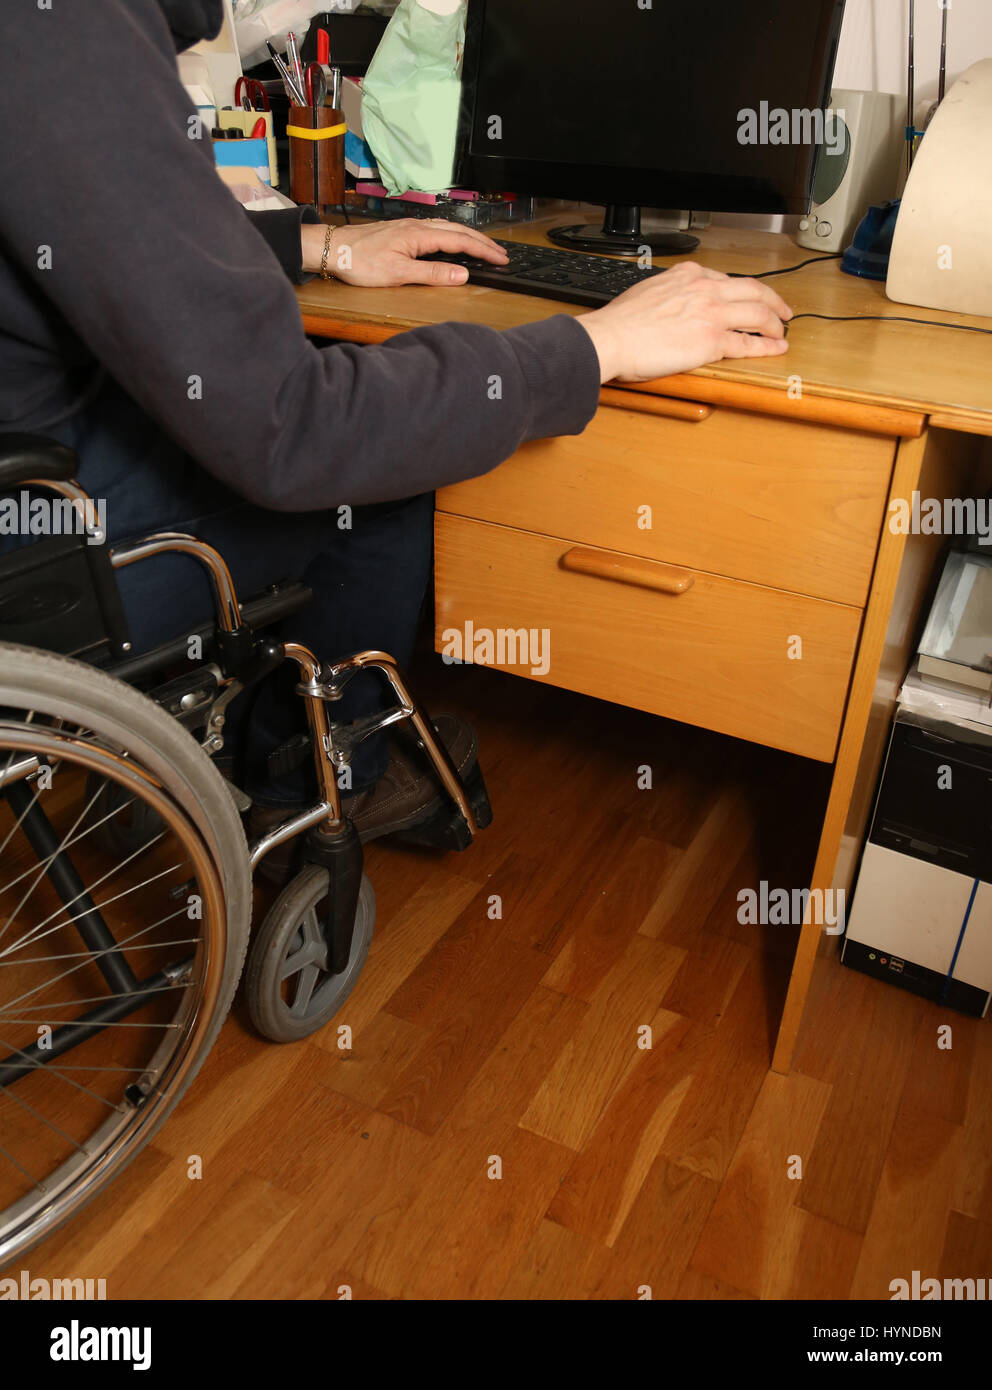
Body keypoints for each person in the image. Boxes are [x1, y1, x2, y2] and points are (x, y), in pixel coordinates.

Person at [0, 0, 793, 870]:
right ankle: (316, 782)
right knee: (371, 487)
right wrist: (594, 345)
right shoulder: (61, 22)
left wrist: (319, 247)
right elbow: (294, 429)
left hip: (33, 471)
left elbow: (103, 242)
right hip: (31, 553)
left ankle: (248, 738)